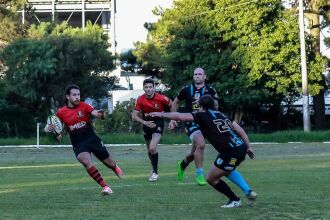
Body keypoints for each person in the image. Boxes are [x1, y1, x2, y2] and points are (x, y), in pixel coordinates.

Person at [150, 95, 257, 208]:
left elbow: (180, 116)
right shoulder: (222, 115)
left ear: (200, 106)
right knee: (227, 170)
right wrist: (249, 147)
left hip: (230, 152)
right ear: (213, 105)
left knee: (211, 178)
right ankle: (248, 192)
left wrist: (161, 114)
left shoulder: (202, 115)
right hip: (240, 148)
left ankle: (234, 200)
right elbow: (240, 130)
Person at [44, 84, 123, 196]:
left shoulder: (84, 106)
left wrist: (101, 114)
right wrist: (49, 129)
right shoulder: (61, 112)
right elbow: (54, 128)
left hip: (92, 139)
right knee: (86, 161)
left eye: (78, 94)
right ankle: (105, 187)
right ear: (68, 97)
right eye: (74, 95)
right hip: (79, 143)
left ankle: (115, 167)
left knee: (109, 163)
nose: (77, 97)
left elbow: (95, 113)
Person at [169, 67, 218, 186]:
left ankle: (182, 164)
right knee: (201, 144)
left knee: (194, 153)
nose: (197, 76)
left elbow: (216, 106)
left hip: (205, 123)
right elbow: (175, 102)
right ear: (193, 76)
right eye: (195, 74)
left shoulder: (210, 90)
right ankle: (200, 175)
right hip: (191, 123)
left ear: (204, 76)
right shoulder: (186, 89)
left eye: (200, 74)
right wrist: (173, 119)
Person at [132, 78, 172, 181]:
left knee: (152, 148)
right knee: (149, 150)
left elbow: (172, 105)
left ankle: (155, 172)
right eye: (146, 87)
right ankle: (154, 168)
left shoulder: (162, 98)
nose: (148, 89)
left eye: (150, 87)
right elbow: (134, 116)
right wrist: (145, 122)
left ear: (154, 87)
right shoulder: (140, 99)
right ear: (143, 88)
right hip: (146, 125)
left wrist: (172, 120)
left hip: (158, 124)